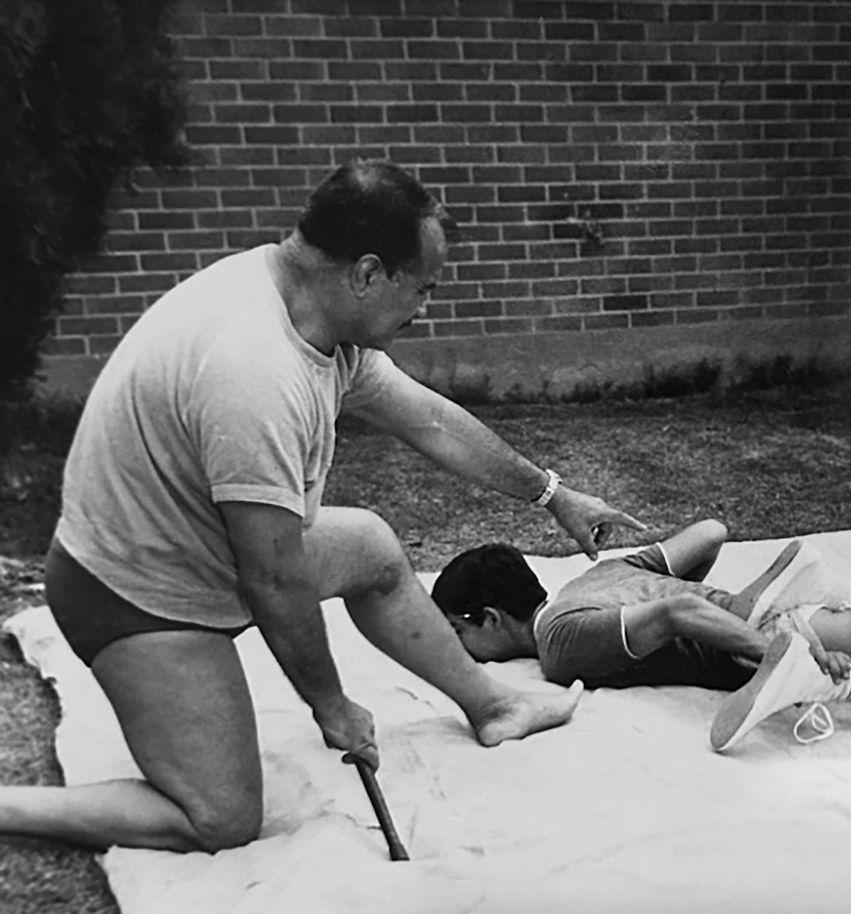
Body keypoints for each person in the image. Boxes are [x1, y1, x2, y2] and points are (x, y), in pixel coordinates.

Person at [0, 160, 645, 853]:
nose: (422, 309)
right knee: (219, 817)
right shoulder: (254, 370)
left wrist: (553, 495)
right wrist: (329, 702)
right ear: (368, 274)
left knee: (368, 545)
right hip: (133, 591)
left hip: (196, 548)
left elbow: (428, 420)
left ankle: (496, 704)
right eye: (421, 289)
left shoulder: (315, 311)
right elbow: (272, 579)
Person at [432, 518, 851, 751]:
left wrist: (774, 654)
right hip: (766, 611)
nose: (461, 650)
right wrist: (718, 596)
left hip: (783, 632)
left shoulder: (559, 644)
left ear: (487, 618)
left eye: (456, 634)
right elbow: (709, 532)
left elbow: (672, 618)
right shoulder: (597, 576)